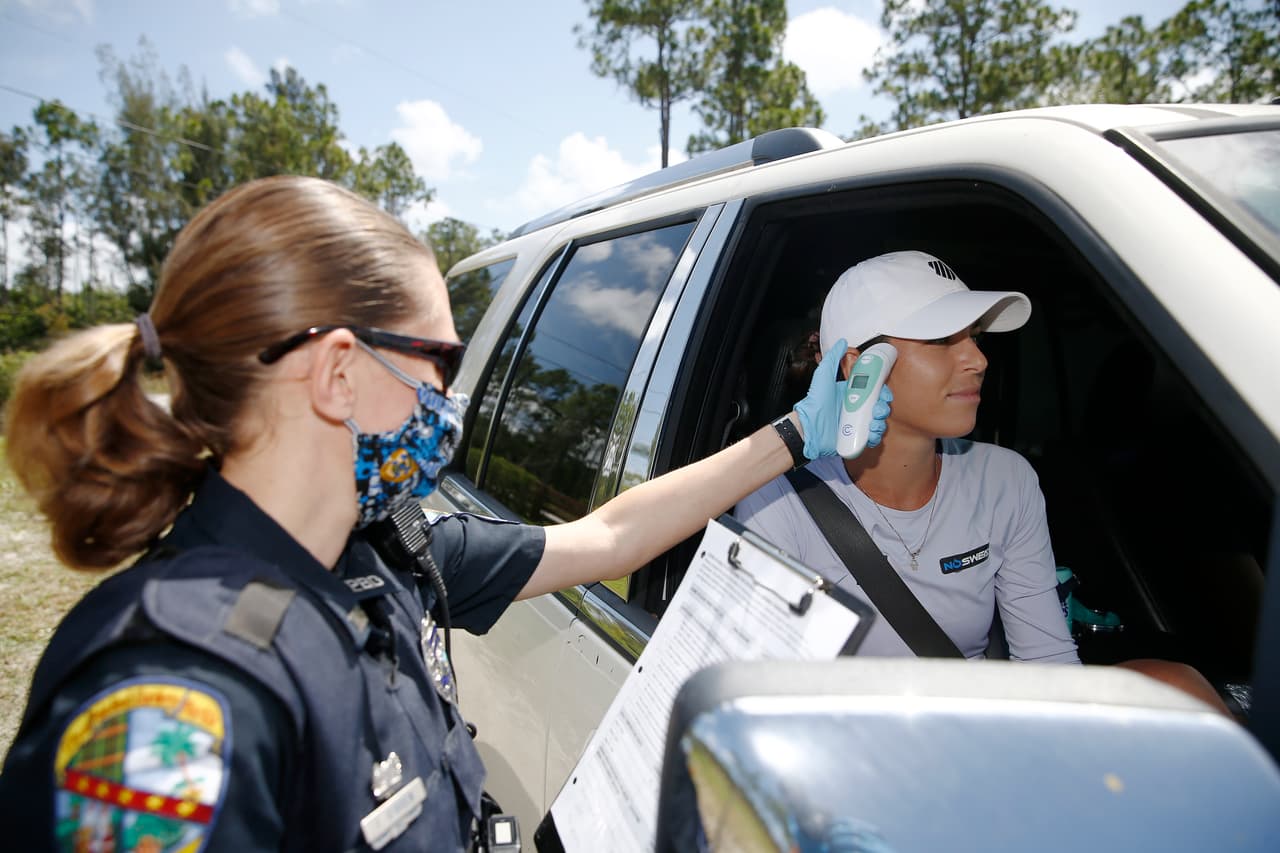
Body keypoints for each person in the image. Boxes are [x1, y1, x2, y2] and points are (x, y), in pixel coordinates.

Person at [0, 175, 884, 852]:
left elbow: (610, 535)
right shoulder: (179, 698)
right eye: (437, 361)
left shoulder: (388, 552)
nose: (450, 398)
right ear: (338, 373)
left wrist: (794, 434)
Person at [736, 250, 1239, 714]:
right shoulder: (776, 502)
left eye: (975, 335)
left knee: (1180, 685)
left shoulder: (1005, 479)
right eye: (941, 339)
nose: (978, 359)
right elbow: (774, 705)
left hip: (980, 733)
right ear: (858, 365)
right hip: (864, 759)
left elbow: (1046, 665)